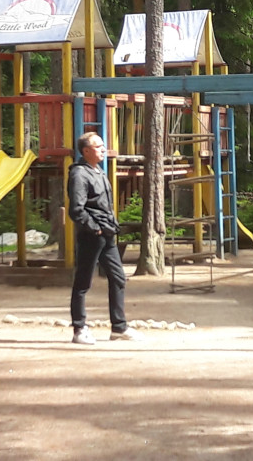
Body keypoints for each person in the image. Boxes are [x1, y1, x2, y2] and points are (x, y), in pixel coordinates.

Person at [67, 131, 144, 345]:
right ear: (86, 151)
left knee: (118, 278)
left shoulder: (99, 171)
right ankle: (79, 329)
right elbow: (76, 210)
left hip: (107, 234)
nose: (103, 149)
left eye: (103, 145)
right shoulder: (79, 174)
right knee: (83, 282)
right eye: (98, 146)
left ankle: (119, 327)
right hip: (91, 236)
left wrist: (108, 227)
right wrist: (95, 229)